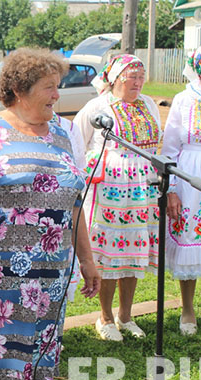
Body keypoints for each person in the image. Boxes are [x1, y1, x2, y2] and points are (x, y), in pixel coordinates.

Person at [0, 48, 101, 380]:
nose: (57, 95)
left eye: (58, 86)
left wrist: (87, 258)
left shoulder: (63, 135)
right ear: (20, 90)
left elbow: (74, 202)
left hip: (49, 273)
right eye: (49, 87)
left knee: (27, 364)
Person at [74, 54, 161, 342]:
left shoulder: (148, 104)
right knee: (111, 251)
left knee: (134, 249)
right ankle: (106, 317)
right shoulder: (97, 106)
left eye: (140, 77)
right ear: (115, 79)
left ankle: (126, 314)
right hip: (110, 186)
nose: (137, 82)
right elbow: (79, 142)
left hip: (142, 186)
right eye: (130, 77)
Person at [162, 43, 201, 337]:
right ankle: (187, 310)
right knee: (189, 238)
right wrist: (172, 188)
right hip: (191, 177)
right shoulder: (184, 100)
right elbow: (170, 148)